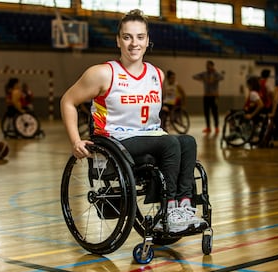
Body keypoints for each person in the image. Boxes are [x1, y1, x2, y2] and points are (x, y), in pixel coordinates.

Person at [60, 9, 201, 232]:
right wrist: (75, 140)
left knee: (188, 142)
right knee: (171, 143)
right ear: (118, 41)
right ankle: (169, 209)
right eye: (127, 37)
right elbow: (67, 101)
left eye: (140, 37)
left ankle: (183, 206)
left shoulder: (157, 74)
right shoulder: (103, 73)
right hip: (114, 141)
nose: (134, 43)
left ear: (147, 41)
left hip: (149, 137)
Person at [192, 60, 224, 134]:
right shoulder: (204, 74)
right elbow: (194, 76)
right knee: (206, 112)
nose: (207, 67)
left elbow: (222, 77)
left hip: (213, 96)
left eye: (209, 65)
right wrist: (202, 79)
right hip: (206, 96)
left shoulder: (216, 74)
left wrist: (215, 79)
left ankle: (216, 127)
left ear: (212, 66)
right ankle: (208, 127)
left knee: (214, 112)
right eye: (207, 65)